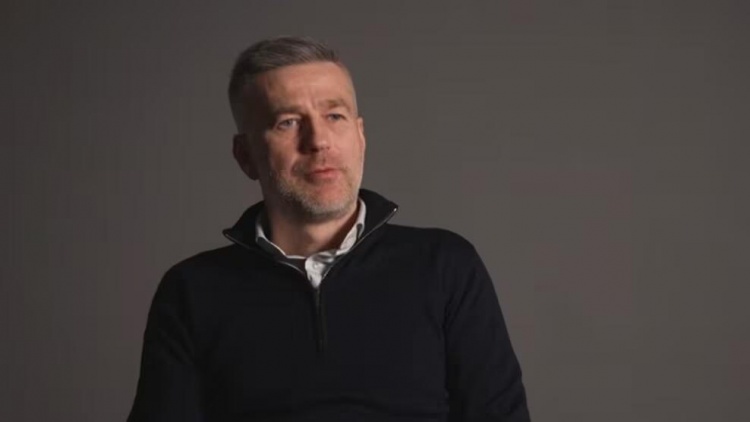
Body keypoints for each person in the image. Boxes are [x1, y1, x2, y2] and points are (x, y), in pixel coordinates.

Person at [128, 36, 530, 422]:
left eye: (334, 116)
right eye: (287, 122)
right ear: (245, 155)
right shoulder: (192, 291)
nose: (318, 141)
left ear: (360, 136)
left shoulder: (445, 266)